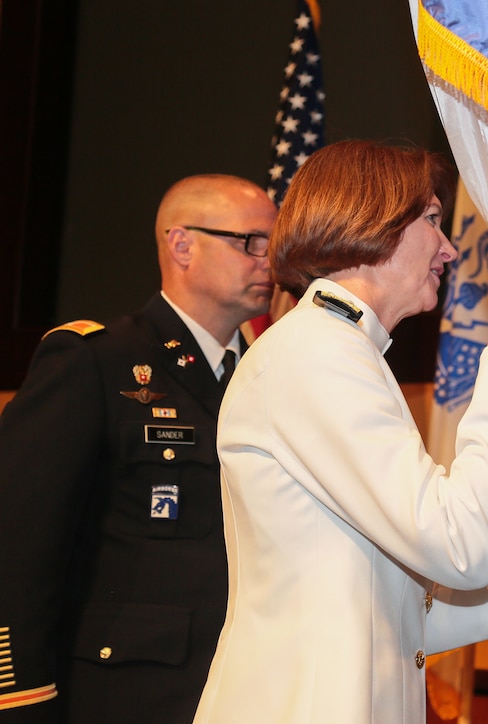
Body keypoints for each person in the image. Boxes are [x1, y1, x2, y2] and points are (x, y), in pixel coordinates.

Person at [192, 140, 488, 723]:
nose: (448, 249)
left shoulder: (338, 350)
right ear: (370, 220)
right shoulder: (319, 353)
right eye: (433, 220)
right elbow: (460, 546)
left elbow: (379, 615)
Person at [0, 175, 279, 722]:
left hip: (235, 687)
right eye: (251, 242)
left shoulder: (261, 378)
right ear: (182, 245)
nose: (269, 261)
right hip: (120, 695)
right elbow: (19, 545)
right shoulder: (94, 360)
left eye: (275, 245)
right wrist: (23, 698)